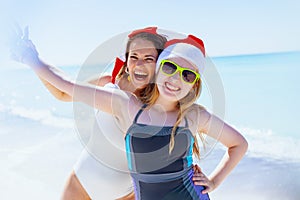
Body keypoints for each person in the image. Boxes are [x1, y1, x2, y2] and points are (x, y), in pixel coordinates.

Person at [10, 28, 248, 199]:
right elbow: (65, 88)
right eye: (134, 57)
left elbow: (178, 154)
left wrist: (212, 180)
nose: (140, 64)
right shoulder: (114, 90)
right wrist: (31, 58)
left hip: (126, 194)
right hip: (81, 183)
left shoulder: (182, 112)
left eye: (148, 58)